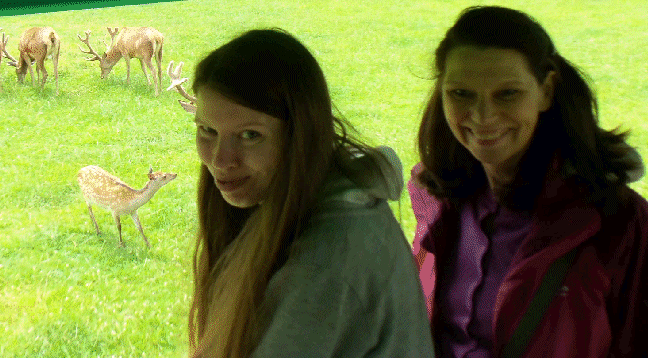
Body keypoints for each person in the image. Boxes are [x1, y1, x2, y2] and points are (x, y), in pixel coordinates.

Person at [410, 6, 647, 357]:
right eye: (461, 94)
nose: (482, 117)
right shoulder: (436, 195)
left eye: (507, 94)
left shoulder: (617, 220)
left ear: (547, 91)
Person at [187, 28, 434, 357]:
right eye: (208, 130)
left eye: (249, 135)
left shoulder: (331, 262)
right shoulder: (298, 201)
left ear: (301, 135)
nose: (220, 160)